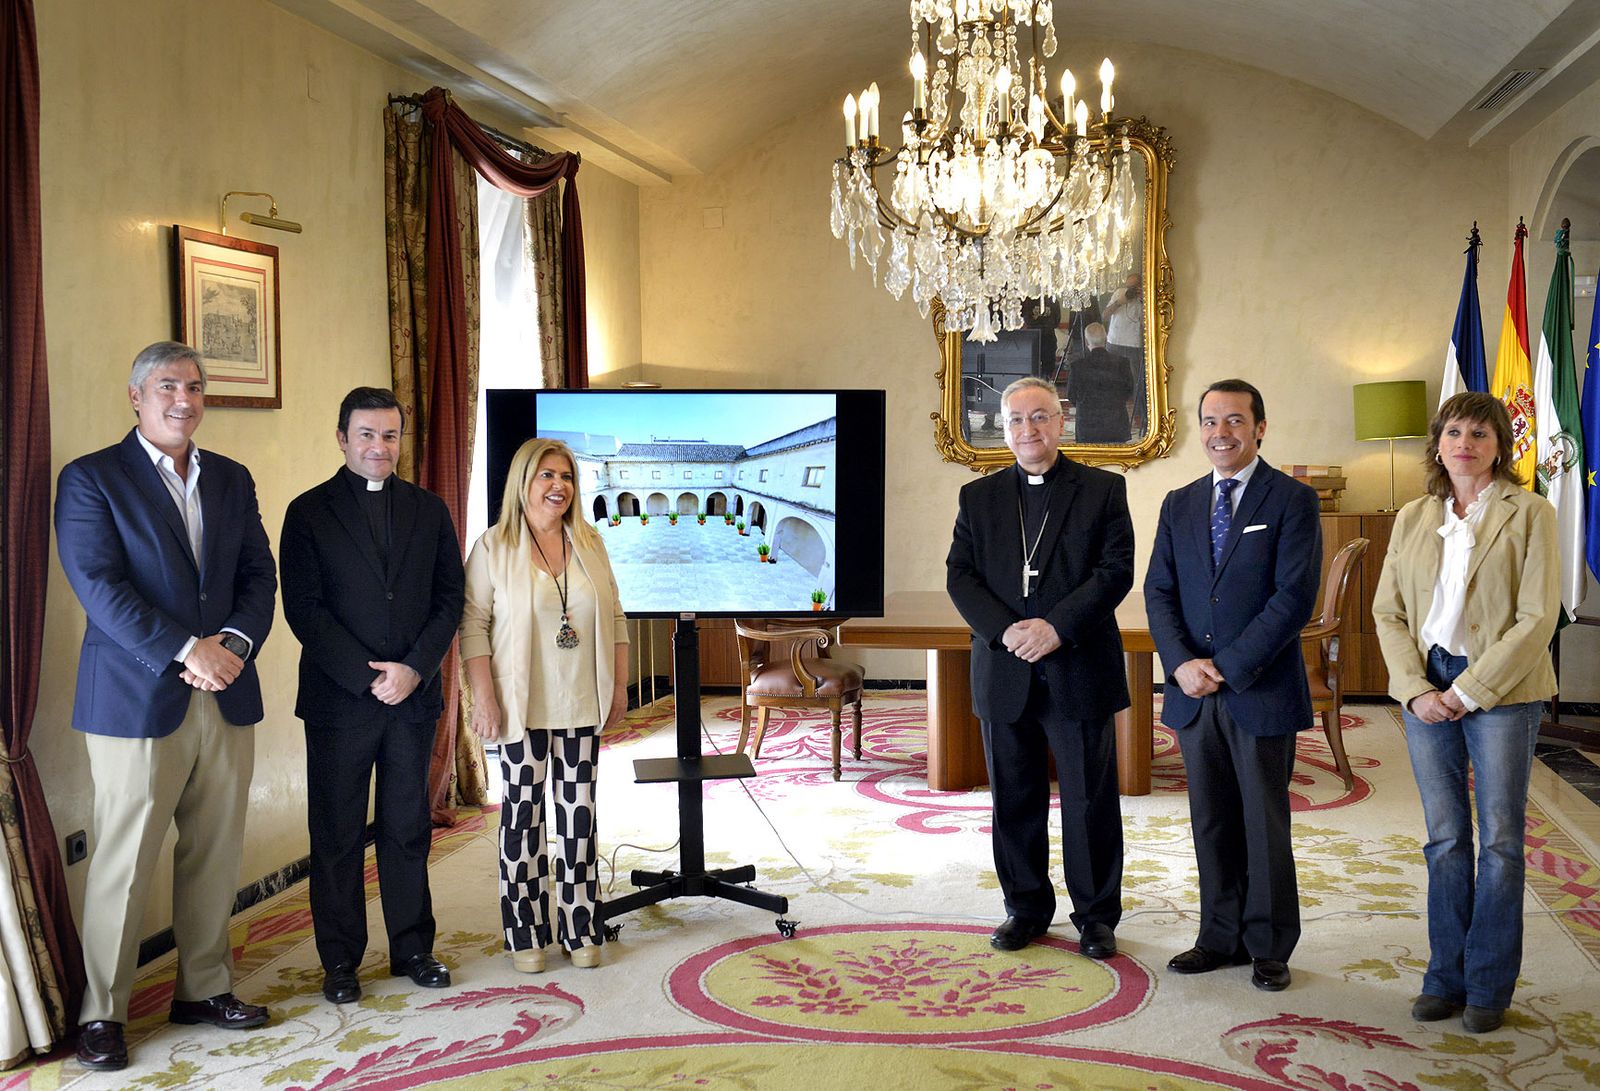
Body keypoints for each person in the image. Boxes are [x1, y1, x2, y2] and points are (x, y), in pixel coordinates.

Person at [54, 341, 278, 1071]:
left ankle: (204, 987)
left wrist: (236, 645)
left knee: (214, 850)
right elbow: (100, 586)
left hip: (228, 689)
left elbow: (257, 573)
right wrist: (190, 649)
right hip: (137, 697)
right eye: (166, 386)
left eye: (193, 386)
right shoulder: (92, 479)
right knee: (123, 862)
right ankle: (102, 1014)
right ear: (135, 396)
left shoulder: (232, 478)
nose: (183, 399)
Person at [1371, 391, 1559, 1034]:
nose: (1465, 444)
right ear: (1438, 441)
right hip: (1428, 685)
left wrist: (1467, 691)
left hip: (1503, 689)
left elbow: (1537, 619)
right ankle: (1443, 978)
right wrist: (1415, 688)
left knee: (1501, 843)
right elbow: (1387, 612)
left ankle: (1487, 987)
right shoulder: (1414, 516)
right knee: (1446, 838)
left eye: (1480, 433)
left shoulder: (1532, 513)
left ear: (1500, 446)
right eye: (1454, 431)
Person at [279, 387, 465, 1004]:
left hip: (412, 697)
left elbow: (448, 599)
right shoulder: (306, 512)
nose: (379, 447)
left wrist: (413, 669)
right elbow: (304, 610)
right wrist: (368, 676)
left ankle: (413, 947)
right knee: (335, 834)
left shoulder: (430, 509)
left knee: (407, 826)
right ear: (341, 438)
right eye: (366, 435)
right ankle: (340, 961)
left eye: (389, 436)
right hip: (340, 701)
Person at [1143, 379, 1320, 992]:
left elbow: (1293, 597)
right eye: (1210, 421)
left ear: (1260, 428)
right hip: (1193, 692)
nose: (1221, 432)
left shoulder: (1293, 499)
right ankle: (1218, 936)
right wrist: (1182, 663)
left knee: (1263, 820)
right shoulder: (1179, 501)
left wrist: (1229, 667)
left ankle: (1268, 944)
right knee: (1210, 818)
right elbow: (1158, 592)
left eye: (1235, 421)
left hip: (1259, 689)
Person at [947, 376, 1133, 959]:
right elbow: (961, 576)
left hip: (1077, 663)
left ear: (1062, 420)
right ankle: (1024, 908)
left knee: (1088, 799)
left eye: (1040, 417)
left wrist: (1055, 627)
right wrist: (1006, 631)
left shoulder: (1103, 489)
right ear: (1003, 429)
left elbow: (1114, 571)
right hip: (1005, 668)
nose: (1029, 429)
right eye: (1017, 420)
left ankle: (1096, 916)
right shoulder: (978, 497)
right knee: (1014, 796)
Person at [460, 438, 630, 972]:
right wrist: (482, 698)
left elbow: (617, 617)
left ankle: (580, 928)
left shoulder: (590, 542)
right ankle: (526, 932)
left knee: (579, 823)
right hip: (520, 707)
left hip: (582, 704)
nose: (559, 486)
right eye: (546, 475)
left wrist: (621, 686)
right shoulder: (493, 547)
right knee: (522, 822)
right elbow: (473, 626)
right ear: (522, 481)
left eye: (567, 476)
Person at [1065, 322, 1135, 444]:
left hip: (1087, 426)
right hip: (1116, 424)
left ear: (1086, 342)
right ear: (1106, 338)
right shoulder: (1122, 363)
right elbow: (1129, 390)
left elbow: (1071, 395)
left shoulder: (1077, 366)